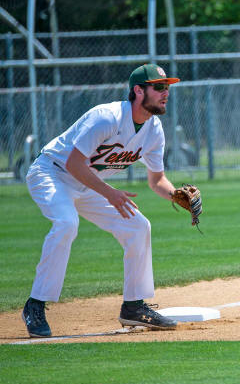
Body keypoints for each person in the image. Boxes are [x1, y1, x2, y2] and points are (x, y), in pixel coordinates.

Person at [22, 64, 182, 337]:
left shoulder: (154, 130)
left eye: (167, 87)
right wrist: (109, 193)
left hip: (88, 183)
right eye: (159, 87)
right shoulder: (107, 118)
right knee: (66, 223)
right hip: (52, 172)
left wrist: (176, 195)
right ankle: (35, 305)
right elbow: (73, 164)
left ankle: (133, 307)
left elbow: (157, 180)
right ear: (138, 91)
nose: (165, 92)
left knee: (138, 227)